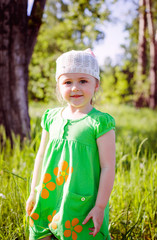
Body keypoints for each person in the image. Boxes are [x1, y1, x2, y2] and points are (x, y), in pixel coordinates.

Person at [26, 49, 116, 240]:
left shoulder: (100, 122)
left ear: (96, 84)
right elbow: (41, 156)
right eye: (67, 82)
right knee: (39, 230)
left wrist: (100, 207)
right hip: (48, 193)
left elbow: (108, 167)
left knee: (79, 234)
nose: (75, 88)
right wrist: (33, 192)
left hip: (81, 201)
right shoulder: (51, 117)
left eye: (83, 81)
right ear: (58, 86)